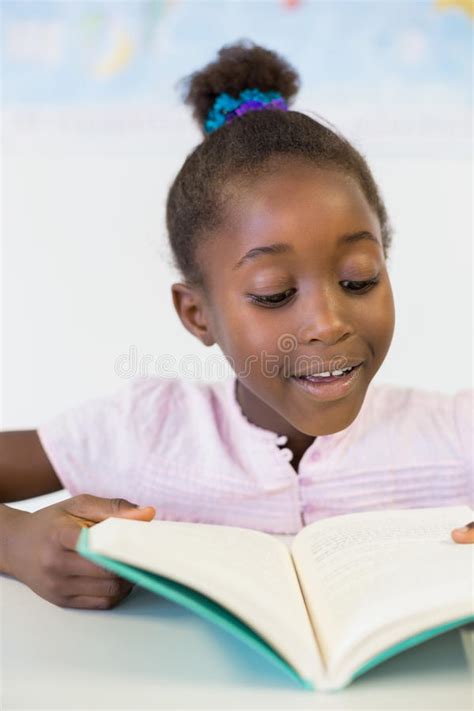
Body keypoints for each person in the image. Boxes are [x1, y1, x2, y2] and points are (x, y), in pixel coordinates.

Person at [1, 41, 472, 611]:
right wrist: (17, 543)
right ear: (197, 314)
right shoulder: (144, 433)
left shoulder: (453, 433)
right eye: (274, 293)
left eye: (358, 279)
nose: (327, 323)